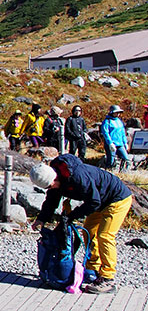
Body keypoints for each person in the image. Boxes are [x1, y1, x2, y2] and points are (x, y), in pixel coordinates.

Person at [30, 154, 133, 294]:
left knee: (105, 235)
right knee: (89, 231)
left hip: (116, 199)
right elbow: (51, 201)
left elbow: (94, 201)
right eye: (49, 187)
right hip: (99, 201)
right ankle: (93, 269)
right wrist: (41, 219)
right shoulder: (56, 179)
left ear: (55, 177)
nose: (52, 187)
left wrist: (71, 217)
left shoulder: (77, 177)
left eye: (51, 184)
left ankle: (108, 278)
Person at [100, 105, 130, 171]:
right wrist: (110, 143)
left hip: (120, 144)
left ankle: (123, 172)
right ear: (111, 112)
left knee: (126, 159)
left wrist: (125, 143)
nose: (118, 114)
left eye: (119, 113)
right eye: (116, 112)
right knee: (111, 161)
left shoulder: (119, 121)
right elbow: (106, 133)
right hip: (111, 144)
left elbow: (122, 133)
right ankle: (108, 172)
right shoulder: (107, 121)